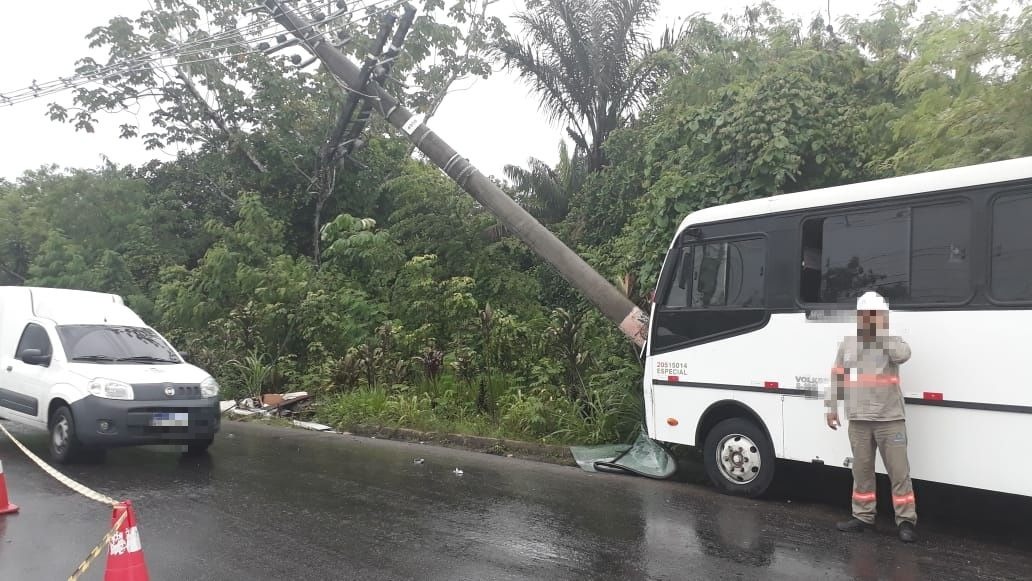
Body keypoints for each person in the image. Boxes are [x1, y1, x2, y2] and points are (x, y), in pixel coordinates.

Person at [825, 291, 917, 543]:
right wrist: (831, 407)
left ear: (883, 316)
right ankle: (863, 516)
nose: (869, 319)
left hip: (890, 419)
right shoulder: (848, 344)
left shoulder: (891, 340)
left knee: (899, 474)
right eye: (865, 315)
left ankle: (906, 521)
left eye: (875, 314)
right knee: (862, 472)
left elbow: (903, 355)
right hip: (859, 420)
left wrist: (881, 334)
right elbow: (838, 376)